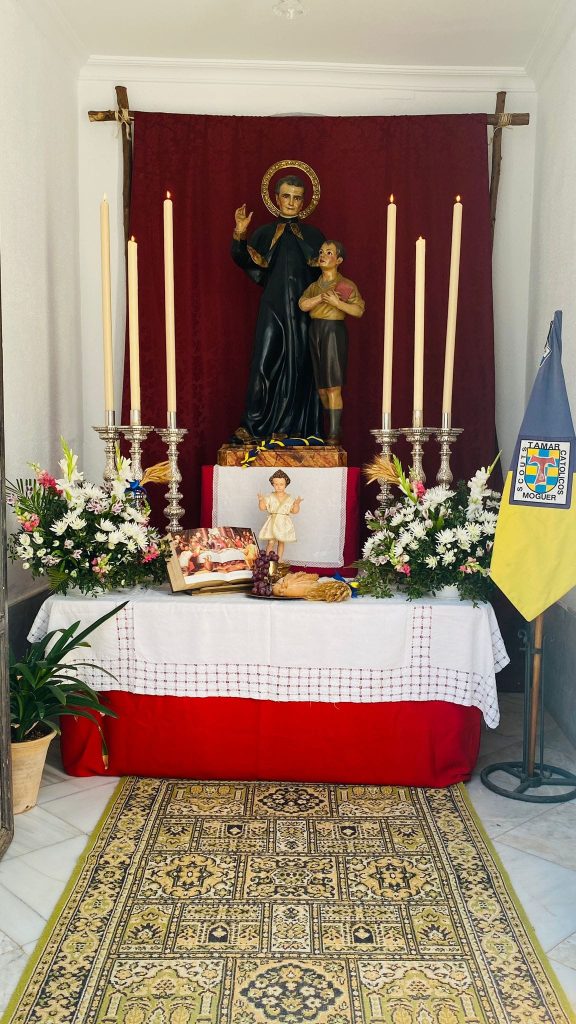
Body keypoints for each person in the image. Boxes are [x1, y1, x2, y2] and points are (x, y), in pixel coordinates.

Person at [231, 176, 325, 441]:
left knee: (302, 364)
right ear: (276, 198)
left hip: (304, 310)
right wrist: (240, 232)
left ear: (303, 202)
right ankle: (252, 425)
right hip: (272, 307)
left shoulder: (314, 236)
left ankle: (298, 429)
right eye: (286, 196)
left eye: (297, 197)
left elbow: (329, 272)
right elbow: (242, 258)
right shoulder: (263, 233)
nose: (291, 202)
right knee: (263, 362)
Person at [299, 240, 365, 444]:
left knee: (333, 385)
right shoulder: (314, 286)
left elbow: (359, 310)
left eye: (329, 252)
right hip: (315, 331)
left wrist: (337, 303)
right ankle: (331, 426)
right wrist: (320, 298)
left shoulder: (344, 285)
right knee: (321, 387)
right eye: (321, 252)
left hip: (333, 332)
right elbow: (303, 305)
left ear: (338, 260)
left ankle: (335, 431)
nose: (323, 255)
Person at [257, 469, 302, 561]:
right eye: (276, 484)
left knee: (281, 542)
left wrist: (296, 504)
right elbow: (262, 508)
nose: (278, 487)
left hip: (283, 522)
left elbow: (294, 511)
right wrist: (261, 500)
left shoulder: (289, 498)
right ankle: (268, 560)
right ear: (273, 484)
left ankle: (279, 559)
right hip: (273, 521)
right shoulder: (269, 496)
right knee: (271, 541)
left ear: (286, 484)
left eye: (281, 484)